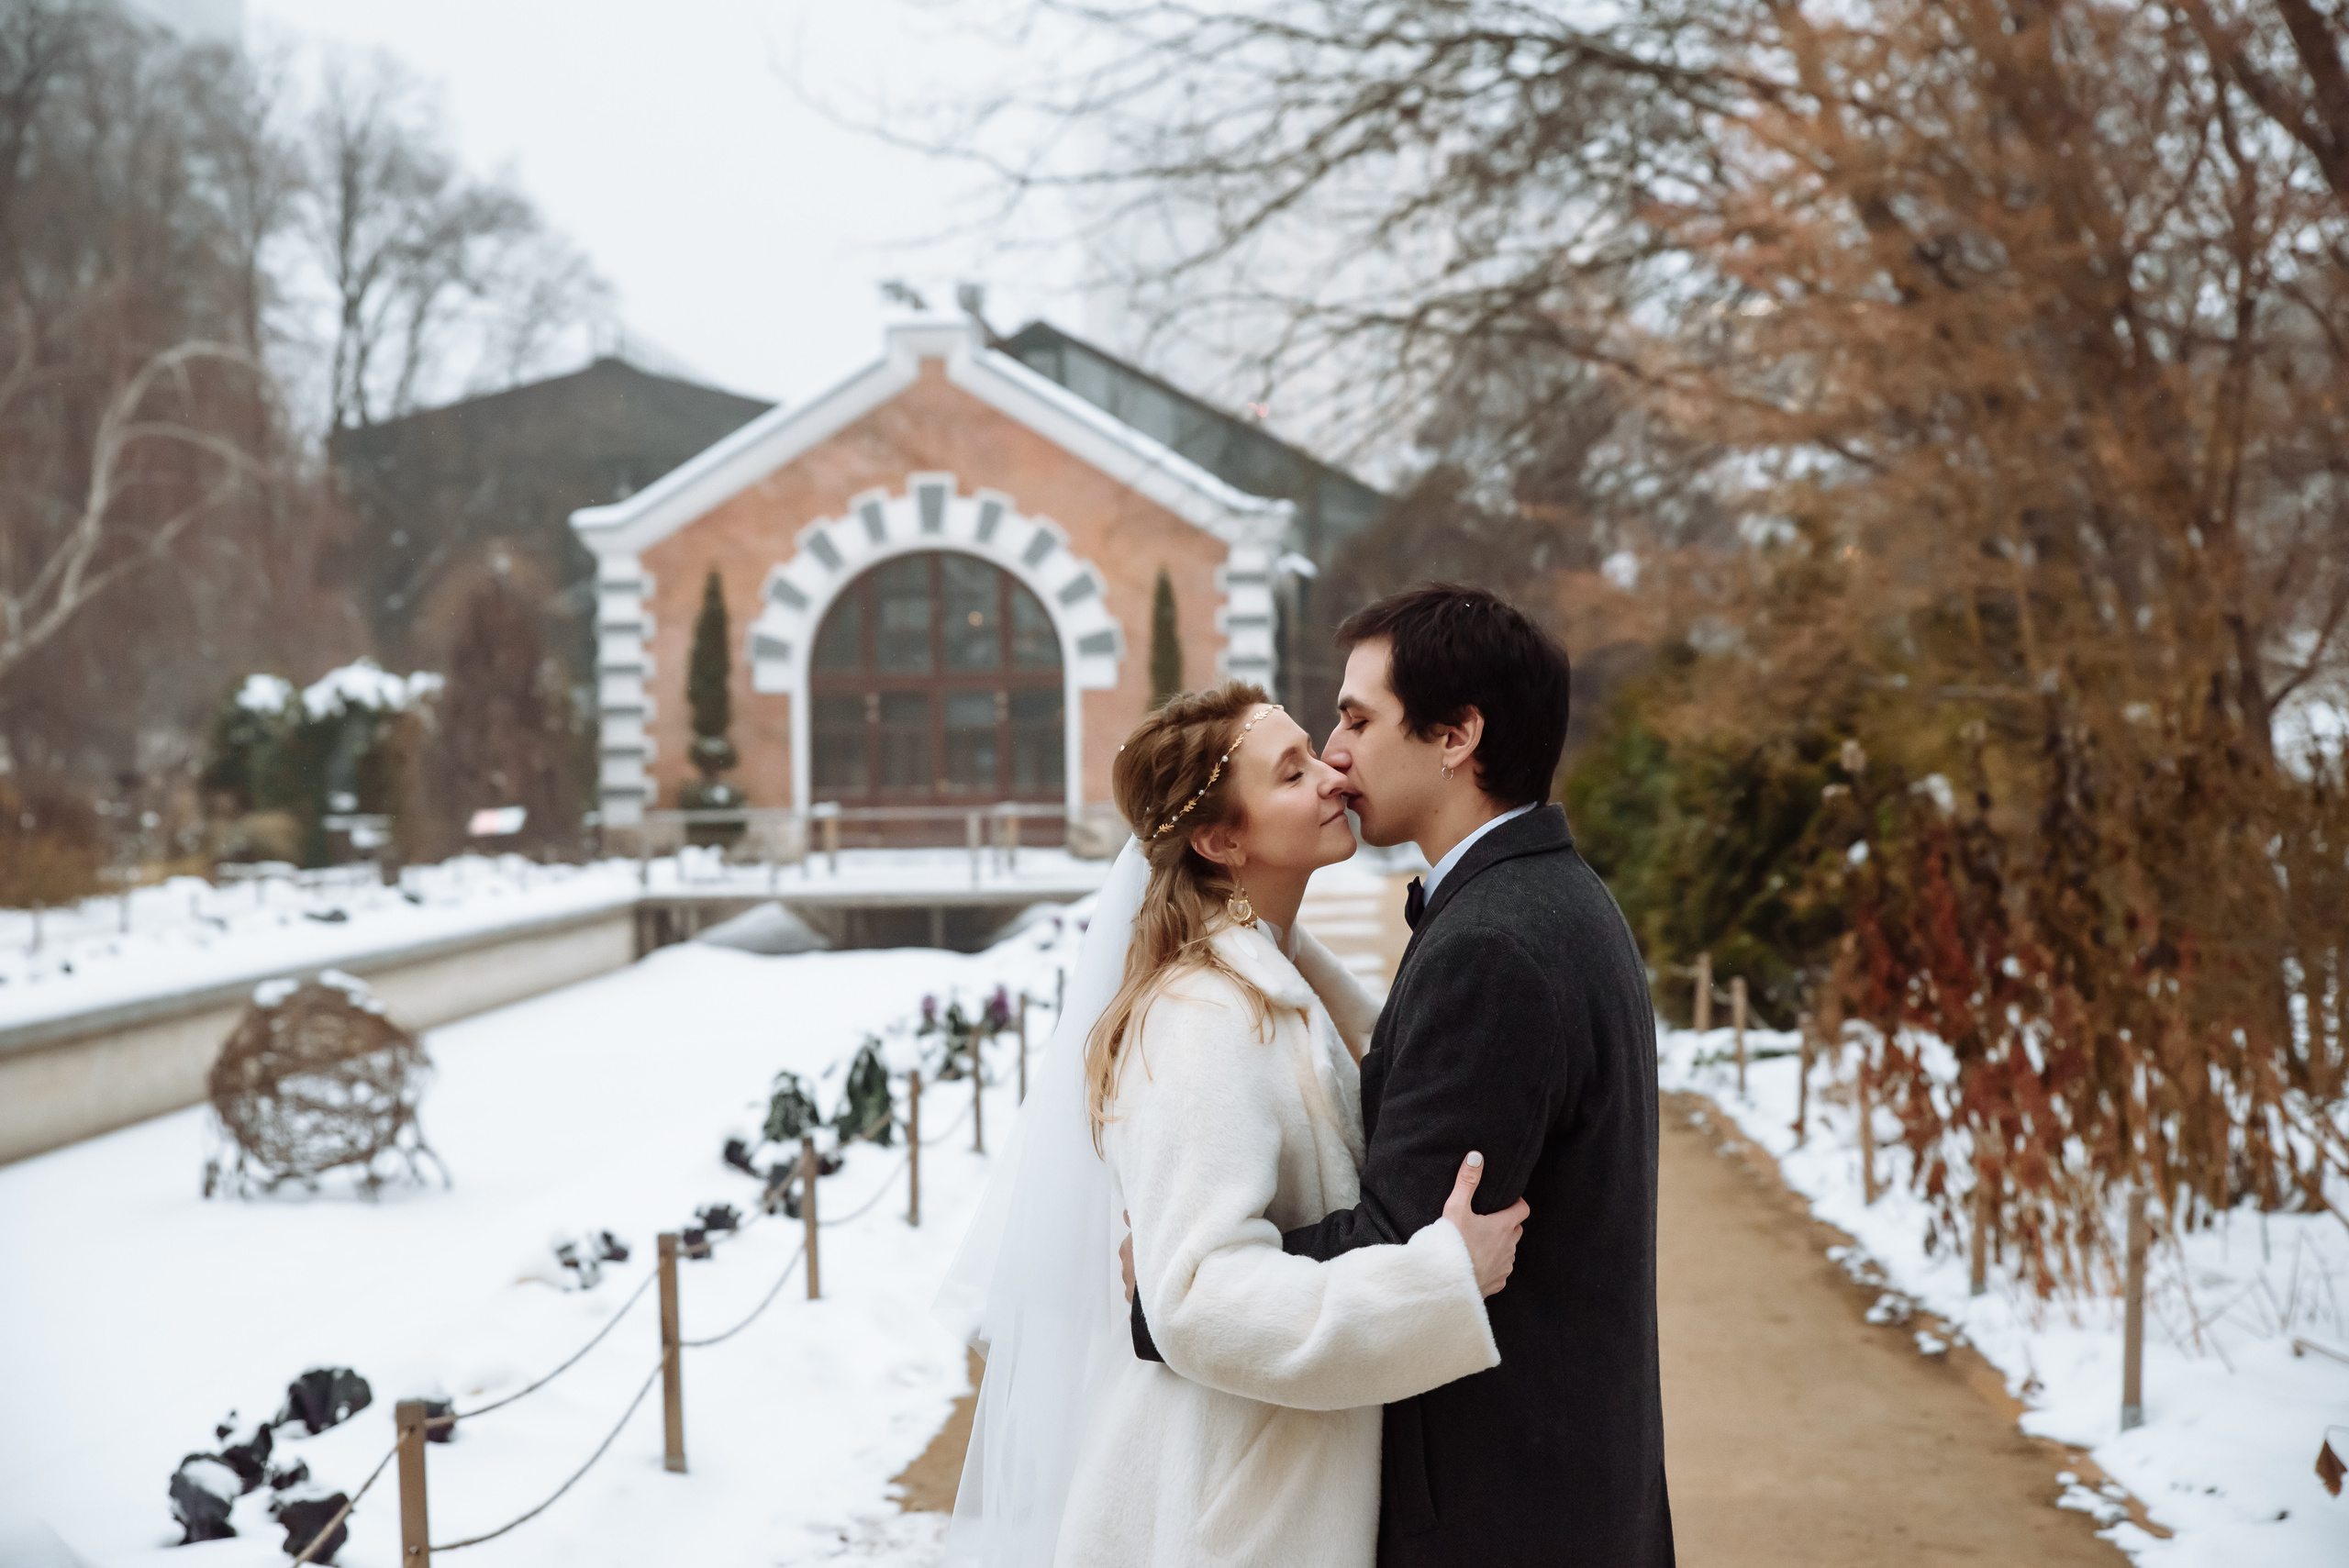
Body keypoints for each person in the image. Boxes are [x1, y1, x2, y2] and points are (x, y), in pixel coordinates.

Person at [1130, 584, 1675, 1565]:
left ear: (1457, 734)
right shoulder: (1551, 897)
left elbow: (1401, 1232)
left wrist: (1168, 1303)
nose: (1336, 753)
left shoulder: (1493, 943)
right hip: (1554, 1488)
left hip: (1495, 1506)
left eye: (1355, 718)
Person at [939, 680, 1527, 1568]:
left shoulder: (1279, 985)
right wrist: (1434, 1283)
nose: (1332, 772)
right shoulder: (1203, 1016)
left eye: (1314, 753)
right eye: (1292, 773)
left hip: (1268, 1484)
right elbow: (1195, 1297)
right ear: (1220, 838)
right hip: (1222, 1512)